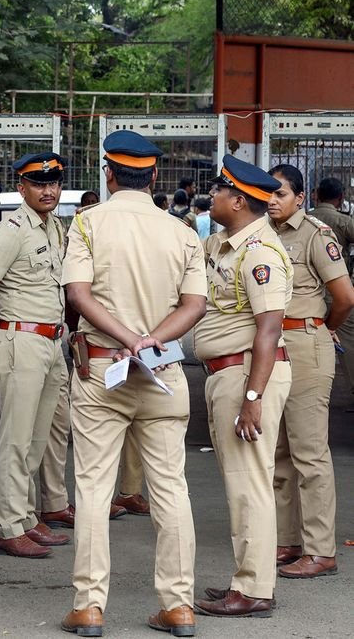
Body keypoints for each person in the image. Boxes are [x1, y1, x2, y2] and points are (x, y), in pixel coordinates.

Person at [59, 131, 204, 638]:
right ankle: (179, 606)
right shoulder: (182, 232)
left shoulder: (87, 223)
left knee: (93, 488)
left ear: (109, 174)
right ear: (155, 176)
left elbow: (78, 295)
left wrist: (127, 340)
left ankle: (89, 607)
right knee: (171, 489)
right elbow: (194, 305)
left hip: (103, 370)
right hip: (163, 373)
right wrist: (150, 342)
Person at [193, 155, 293, 620]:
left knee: (249, 484)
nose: (211, 196)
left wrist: (252, 399)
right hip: (229, 373)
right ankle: (248, 580)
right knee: (242, 483)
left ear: (237, 201)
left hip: (249, 375)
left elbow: (268, 331)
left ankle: (253, 589)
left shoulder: (260, 253)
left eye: (219, 190)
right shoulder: (223, 244)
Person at [0, 152, 72, 559]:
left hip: (50, 341)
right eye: (38, 184)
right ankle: (9, 526)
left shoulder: (54, 226)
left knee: (36, 438)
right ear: (22, 188)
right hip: (21, 339)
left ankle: (26, 516)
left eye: (53, 183)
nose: (48, 191)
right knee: (16, 439)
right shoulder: (12, 229)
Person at [267, 164, 354, 579]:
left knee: (309, 451)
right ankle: (287, 540)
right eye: (268, 193)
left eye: (280, 193)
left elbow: (345, 297)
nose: (272, 200)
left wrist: (322, 328)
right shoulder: (261, 233)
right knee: (279, 450)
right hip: (271, 346)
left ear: (301, 198)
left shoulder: (316, 235)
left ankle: (320, 550)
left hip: (305, 342)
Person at [308, 177, 354, 398]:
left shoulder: (305, 220)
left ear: (316, 195)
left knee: (305, 340)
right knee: (349, 343)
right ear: (341, 198)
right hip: (338, 291)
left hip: (309, 293)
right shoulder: (344, 221)